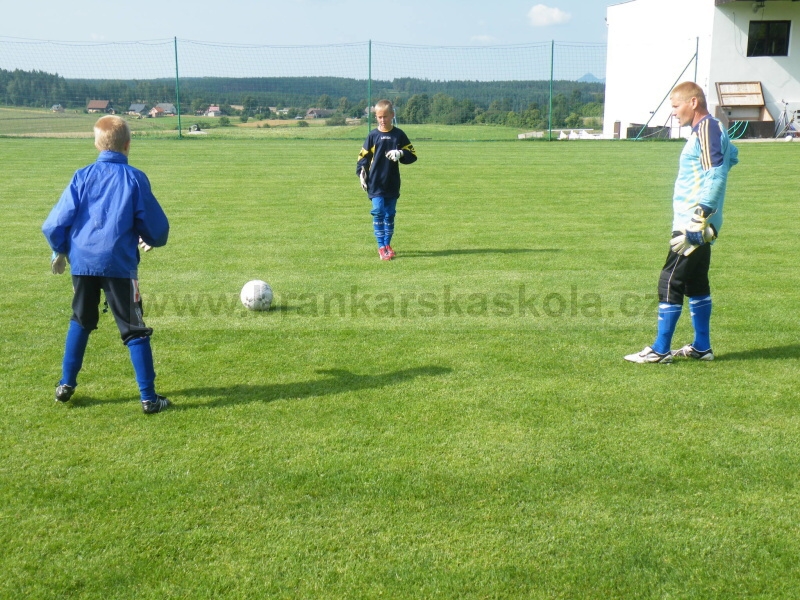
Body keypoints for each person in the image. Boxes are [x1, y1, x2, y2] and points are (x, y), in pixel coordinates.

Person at [42, 115, 171, 413]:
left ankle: (65, 384)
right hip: (119, 264)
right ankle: (149, 398)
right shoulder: (135, 177)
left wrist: (58, 250)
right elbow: (156, 226)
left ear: (97, 143)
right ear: (128, 145)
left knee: (81, 320)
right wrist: (150, 237)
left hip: (83, 264)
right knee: (134, 328)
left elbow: (55, 223)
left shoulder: (82, 175)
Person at [625, 81, 738, 364]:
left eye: (676, 106)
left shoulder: (706, 128)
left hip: (694, 223)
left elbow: (715, 171)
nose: (674, 112)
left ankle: (660, 349)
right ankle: (702, 347)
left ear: (693, 102)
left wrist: (701, 214)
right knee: (695, 282)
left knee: (670, 280)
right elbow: (732, 157)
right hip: (703, 221)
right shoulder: (713, 128)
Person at [357, 99, 417, 260]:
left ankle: (388, 245)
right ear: (376, 117)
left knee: (390, 214)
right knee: (378, 212)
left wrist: (401, 153)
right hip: (375, 183)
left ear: (392, 115)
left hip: (392, 183)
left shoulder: (399, 135)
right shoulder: (373, 136)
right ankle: (381, 247)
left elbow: (413, 155)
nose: (382, 120)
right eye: (379, 117)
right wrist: (361, 174)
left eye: (385, 116)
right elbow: (362, 158)